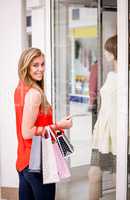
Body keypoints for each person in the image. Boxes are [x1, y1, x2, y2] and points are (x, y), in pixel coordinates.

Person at [14, 48, 72, 200]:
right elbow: (27, 132)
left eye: (42, 64)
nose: (41, 69)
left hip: (24, 161)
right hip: (38, 161)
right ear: (26, 66)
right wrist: (59, 125)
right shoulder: (34, 94)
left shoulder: (21, 89)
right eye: (35, 65)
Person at [88, 35, 117, 200]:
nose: (105, 53)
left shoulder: (117, 76)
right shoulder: (107, 72)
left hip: (113, 131)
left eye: (107, 49)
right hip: (104, 129)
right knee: (95, 172)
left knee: (113, 171)